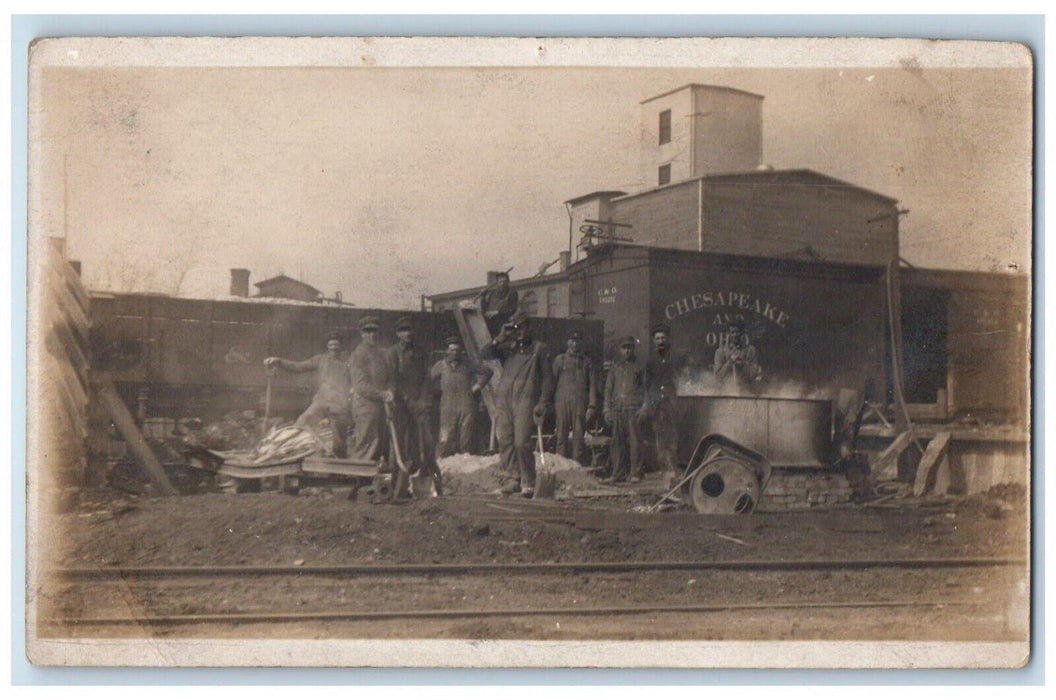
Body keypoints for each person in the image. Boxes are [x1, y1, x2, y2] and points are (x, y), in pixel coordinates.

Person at [480, 310, 554, 497]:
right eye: (515, 328)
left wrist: (543, 402)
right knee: (505, 440)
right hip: (505, 399)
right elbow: (485, 354)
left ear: (529, 327)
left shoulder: (539, 348)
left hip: (525, 399)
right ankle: (513, 478)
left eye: (522, 327)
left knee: (522, 442)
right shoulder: (508, 347)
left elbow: (547, 379)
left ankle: (528, 480)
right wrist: (500, 337)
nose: (519, 331)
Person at [264, 331, 352, 458]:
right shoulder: (320, 359)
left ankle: (341, 467)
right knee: (302, 422)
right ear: (327, 346)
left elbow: (358, 379)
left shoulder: (348, 362)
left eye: (336, 345)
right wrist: (279, 361)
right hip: (321, 401)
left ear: (341, 346)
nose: (333, 348)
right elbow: (298, 366)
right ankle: (287, 452)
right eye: (331, 345)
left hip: (339, 405)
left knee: (339, 442)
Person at [385, 316, 436, 475]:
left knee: (423, 439)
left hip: (418, 402)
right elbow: (392, 378)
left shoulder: (421, 352)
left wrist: (422, 399)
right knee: (400, 440)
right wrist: (403, 399)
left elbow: (427, 377)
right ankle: (398, 473)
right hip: (400, 403)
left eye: (409, 329)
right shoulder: (392, 353)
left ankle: (422, 471)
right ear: (397, 334)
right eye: (403, 330)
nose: (407, 333)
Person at [430, 336, 494, 457]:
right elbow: (428, 381)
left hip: (466, 405)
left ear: (461, 352)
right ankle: (443, 467)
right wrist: (436, 392)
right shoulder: (440, 365)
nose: (455, 353)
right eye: (452, 350)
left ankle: (464, 468)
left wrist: (477, 387)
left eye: (457, 350)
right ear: (447, 351)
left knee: (466, 440)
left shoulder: (468, 364)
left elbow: (488, 372)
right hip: (447, 407)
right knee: (445, 439)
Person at [348, 315, 394, 462]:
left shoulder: (380, 353)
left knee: (377, 443)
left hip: (380, 405)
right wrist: (382, 395)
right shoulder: (358, 354)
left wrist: (388, 391)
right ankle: (355, 476)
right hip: (365, 406)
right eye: (367, 331)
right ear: (362, 334)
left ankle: (369, 478)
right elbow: (360, 385)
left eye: (374, 331)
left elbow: (388, 377)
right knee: (365, 443)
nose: (372, 334)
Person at [602, 335, 647, 484]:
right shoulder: (615, 367)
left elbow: (648, 389)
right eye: (624, 348)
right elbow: (608, 390)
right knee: (617, 442)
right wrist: (607, 410)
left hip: (634, 408)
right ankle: (618, 473)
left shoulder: (640, 366)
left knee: (635, 441)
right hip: (617, 409)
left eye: (630, 347)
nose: (627, 351)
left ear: (633, 349)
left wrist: (645, 407)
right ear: (620, 350)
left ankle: (635, 473)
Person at [552, 330, 599, 466]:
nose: (575, 344)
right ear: (567, 342)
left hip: (580, 403)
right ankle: (560, 469)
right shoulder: (560, 360)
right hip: (562, 402)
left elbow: (592, 386)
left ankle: (576, 468)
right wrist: (550, 403)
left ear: (581, 343)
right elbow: (552, 383)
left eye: (578, 341)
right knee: (561, 436)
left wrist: (591, 406)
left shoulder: (586, 363)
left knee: (579, 437)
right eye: (572, 340)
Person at [643, 324, 679, 476]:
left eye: (663, 338)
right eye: (657, 338)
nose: (660, 341)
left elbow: (681, 378)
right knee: (659, 435)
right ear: (653, 341)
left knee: (673, 435)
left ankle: (673, 467)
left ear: (668, 339)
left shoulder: (674, 357)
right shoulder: (650, 361)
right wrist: (649, 402)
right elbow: (647, 384)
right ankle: (662, 467)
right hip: (657, 403)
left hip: (672, 402)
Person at [714, 321, 763, 388]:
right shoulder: (720, 352)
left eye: (737, 332)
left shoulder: (751, 350)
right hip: (727, 391)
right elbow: (718, 376)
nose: (735, 335)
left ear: (742, 333)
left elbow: (754, 374)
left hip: (747, 391)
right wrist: (730, 361)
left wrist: (742, 362)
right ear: (728, 334)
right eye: (732, 332)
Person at [480, 271, 519, 335]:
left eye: (505, 281)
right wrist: (483, 297)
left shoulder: (512, 293)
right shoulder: (491, 294)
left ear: (508, 282)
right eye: (500, 282)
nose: (502, 284)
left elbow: (512, 309)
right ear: (497, 283)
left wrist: (497, 312)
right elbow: (484, 309)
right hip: (491, 324)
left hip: (504, 324)